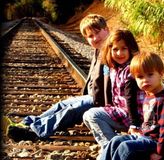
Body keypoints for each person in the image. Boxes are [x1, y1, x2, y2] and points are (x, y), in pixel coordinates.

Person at [80, 51, 164, 160]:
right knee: (116, 141)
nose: (145, 80)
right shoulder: (149, 96)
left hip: (157, 143)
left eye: (150, 75)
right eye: (140, 77)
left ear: (161, 73)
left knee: (126, 147)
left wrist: (159, 151)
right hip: (146, 138)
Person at [6, 14, 112, 142]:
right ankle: (28, 123)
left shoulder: (112, 52)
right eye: (90, 36)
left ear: (107, 30)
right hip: (94, 96)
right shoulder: (98, 49)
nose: (95, 38)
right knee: (62, 104)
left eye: (97, 33)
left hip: (104, 100)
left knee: (71, 110)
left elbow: (109, 82)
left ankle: (36, 131)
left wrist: (100, 102)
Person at [82, 29, 144, 152]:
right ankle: (114, 147)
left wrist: (134, 124)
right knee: (89, 115)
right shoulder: (115, 68)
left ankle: (112, 151)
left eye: (124, 49)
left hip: (136, 116)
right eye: (115, 49)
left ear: (131, 49)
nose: (119, 53)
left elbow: (130, 98)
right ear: (109, 50)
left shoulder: (131, 69)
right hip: (123, 112)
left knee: (92, 115)